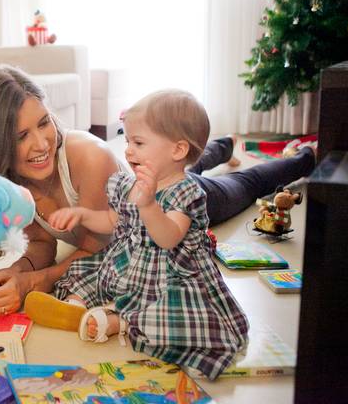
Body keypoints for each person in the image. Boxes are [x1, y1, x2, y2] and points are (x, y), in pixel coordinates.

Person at [0, 65, 315, 317]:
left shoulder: (88, 157)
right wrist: (16, 272)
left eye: (43, 123)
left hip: (162, 202)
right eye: (21, 136)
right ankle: (220, 146)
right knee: (184, 156)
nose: (41, 144)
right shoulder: (9, 186)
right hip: (150, 173)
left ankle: (303, 158)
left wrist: (34, 282)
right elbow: (42, 243)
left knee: (242, 186)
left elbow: (97, 251)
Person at [27, 89, 248, 380]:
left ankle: (120, 321)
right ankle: (74, 307)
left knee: (169, 313)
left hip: (169, 275)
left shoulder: (186, 192)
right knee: (91, 271)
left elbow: (168, 238)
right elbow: (112, 220)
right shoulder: (130, 183)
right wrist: (82, 215)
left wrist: (149, 206)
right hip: (131, 262)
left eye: (139, 142)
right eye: (127, 139)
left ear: (178, 150)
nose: (128, 150)